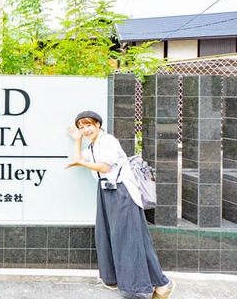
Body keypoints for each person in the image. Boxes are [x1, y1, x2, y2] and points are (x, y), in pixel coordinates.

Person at [66, 110, 175, 299]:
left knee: (131, 239)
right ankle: (118, 279)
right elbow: (80, 159)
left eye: (88, 125)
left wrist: (81, 164)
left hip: (122, 192)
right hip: (106, 192)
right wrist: (77, 140)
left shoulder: (108, 141)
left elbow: (104, 167)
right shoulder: (92, 145)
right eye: (81, 127)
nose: (85, 130)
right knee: (109, 236)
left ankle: (162, 284)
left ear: (98, 124)